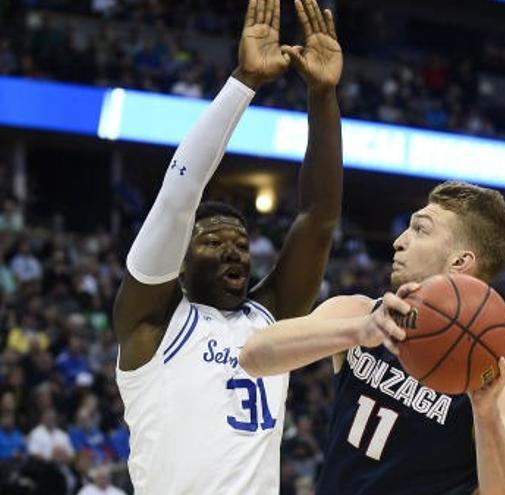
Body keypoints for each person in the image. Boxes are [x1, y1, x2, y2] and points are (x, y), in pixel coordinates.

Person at [112, 0, 343, 493]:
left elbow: (318, 217)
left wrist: (323, 97)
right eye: (213, 240)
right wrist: (244, 82)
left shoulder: (269, 318)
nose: (233, 250)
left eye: (240, 242)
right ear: (181, 260)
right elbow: (180, 193)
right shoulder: (151, 323)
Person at [241, 181, 505, 495]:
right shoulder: (358, 311)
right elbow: (253, 356)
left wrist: (486, 412)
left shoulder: (503, 377)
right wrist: (360, 330)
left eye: (420, 230)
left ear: (459, 262)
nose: (398, 241)